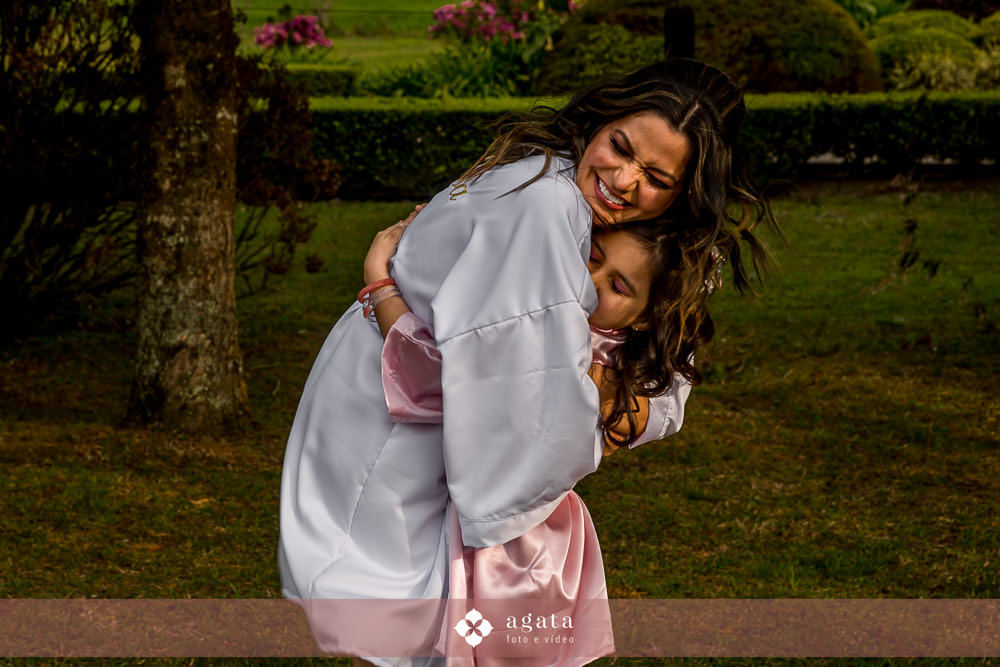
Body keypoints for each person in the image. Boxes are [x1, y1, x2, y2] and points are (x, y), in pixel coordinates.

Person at [278, 58, 776, 664]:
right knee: (403, 619)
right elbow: (506, 391)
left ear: (683, 192)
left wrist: (633, 409)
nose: (623, 180)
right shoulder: (544, 207)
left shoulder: (597, 209)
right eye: (620, 147)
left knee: (426, 627)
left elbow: (658, 376)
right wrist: (381, 290)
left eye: (655, 177)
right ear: (601, 120)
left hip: (400, 399)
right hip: (393, 410)